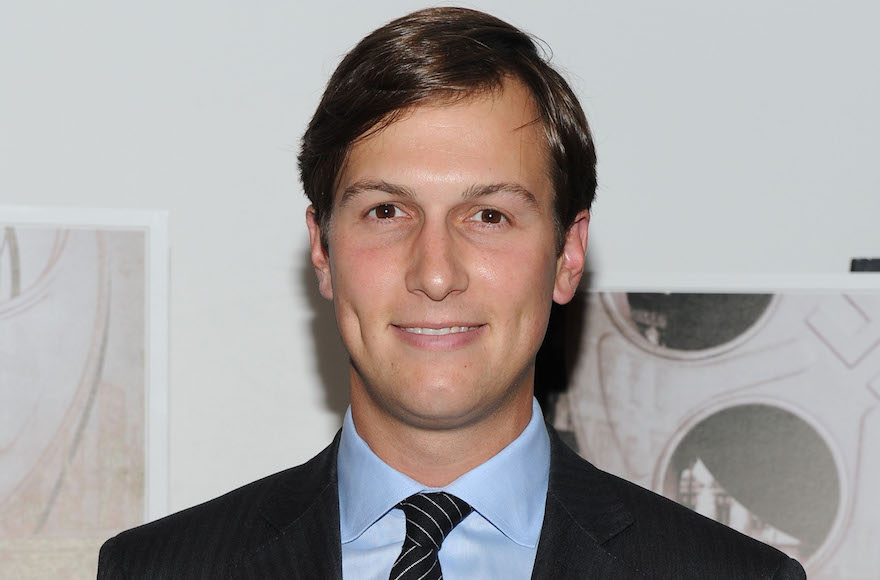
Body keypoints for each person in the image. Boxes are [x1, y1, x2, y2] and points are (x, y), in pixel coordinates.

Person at [98, 7, 807, 579]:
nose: (435, 274)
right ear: (322, 249)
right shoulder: (157, 568)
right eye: (386, 211)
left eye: (489, 215)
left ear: (567, 254)